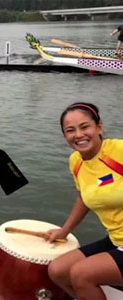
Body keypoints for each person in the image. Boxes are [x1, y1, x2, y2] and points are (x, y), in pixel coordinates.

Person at [46, 103, 123, 299]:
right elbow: (84, 197)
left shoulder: (119, 151)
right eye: (70, 130)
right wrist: (64, 231)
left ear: (99, 127)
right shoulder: (76, 162)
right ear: (64, 136)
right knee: (58, 270)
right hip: (116, 239)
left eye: (85, 126)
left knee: (81, 274)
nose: (79, 135)